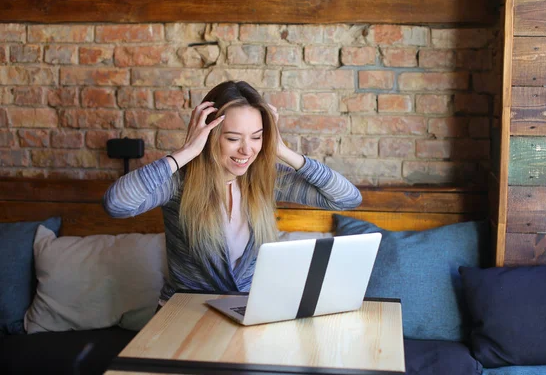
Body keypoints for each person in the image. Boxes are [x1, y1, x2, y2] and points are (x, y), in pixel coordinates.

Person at [103, 80, 362, 308]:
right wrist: (187, 152)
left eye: (257, 137)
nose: (246, 150)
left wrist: (281, 149)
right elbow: (116, 204)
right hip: (183, 316)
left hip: (246, 314)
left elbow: (347, 198)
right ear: (208, 135)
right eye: (233, 138)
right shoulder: (179, 183)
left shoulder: (266, 178)